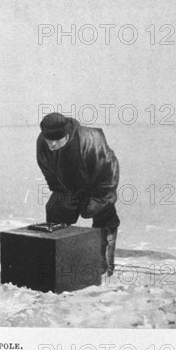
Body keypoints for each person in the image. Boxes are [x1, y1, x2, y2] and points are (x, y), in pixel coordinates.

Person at [36, 112, 119, 275]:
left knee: (105, 217)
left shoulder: (91, 140)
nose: (51, 144)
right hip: (68, 185)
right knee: (55, 210)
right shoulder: (42, 143)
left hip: (98, 183)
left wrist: (101, 197)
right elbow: (49, 173)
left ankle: (104, 264)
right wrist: (62, 195)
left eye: (56, 140)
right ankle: (61, 261)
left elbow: (108, 169)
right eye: (49, 140)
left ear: (67, 136)